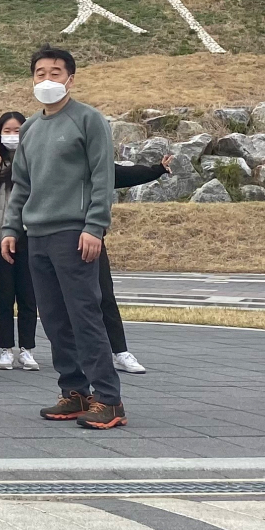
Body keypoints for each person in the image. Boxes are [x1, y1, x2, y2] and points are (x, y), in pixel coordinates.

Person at [1, 46, 126, 430]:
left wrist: (95, 226)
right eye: (40, 73)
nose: (47, 80)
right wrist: (10, 228)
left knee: (85, 316)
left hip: (74, 233)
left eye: (56, 72)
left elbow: (104, 177)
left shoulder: (88, 120)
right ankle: (74, 391)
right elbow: (21, 184)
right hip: (37, 235)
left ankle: (109, 398)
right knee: (54, 319)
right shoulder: (31, 129)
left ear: (71, 78)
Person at [0, 112, 40, 370]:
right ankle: (6, 348)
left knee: (28, 296)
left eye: (18, 130)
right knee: (3, 296)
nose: (12, 135)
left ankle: (27, 349)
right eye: (7, 130)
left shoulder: (36, 159)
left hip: (29, 236)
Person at [103, 159, 171, 375]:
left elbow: (124, 173)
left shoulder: (94, 161)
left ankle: (119, 351)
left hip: (90, 238)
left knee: (104, 297)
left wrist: (157, 170)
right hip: (49, 236)